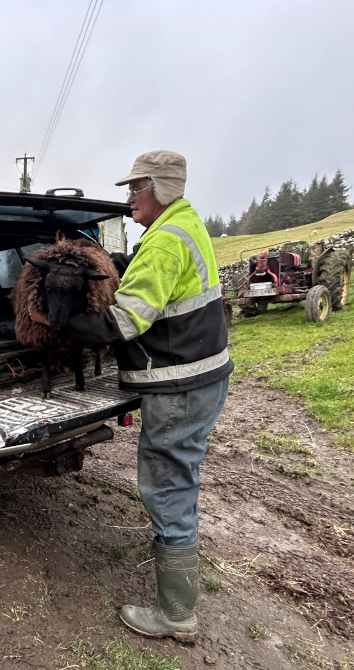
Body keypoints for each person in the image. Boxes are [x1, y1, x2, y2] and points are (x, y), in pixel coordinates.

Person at [62, 150, 232, 642]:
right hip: (203, 375)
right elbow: (162, 286)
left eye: (136, 188)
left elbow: (125, 320)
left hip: (180, 385)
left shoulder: (164, 243)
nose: (129, 196)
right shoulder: (183, 225)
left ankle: (177, 614)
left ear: (162, 188)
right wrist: (120, 263)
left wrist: (64, 325)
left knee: (169, 486)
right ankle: (176, 567)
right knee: (180, 476)